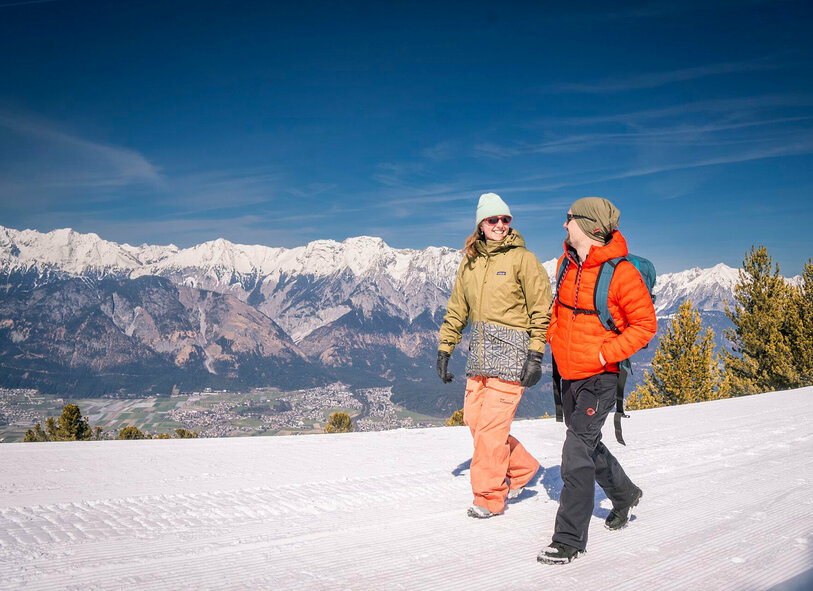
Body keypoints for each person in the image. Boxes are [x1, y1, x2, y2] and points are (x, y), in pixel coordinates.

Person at [538, 197, 657, 564]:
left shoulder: (621, 274)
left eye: (569, 219)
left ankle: (569, 540)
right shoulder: (566, 264)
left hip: (601, 378)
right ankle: (625, 494)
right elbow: (559, 310)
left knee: (575, 453)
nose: (564, 225)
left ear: (589, 226)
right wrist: (554, 337)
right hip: (570, 374)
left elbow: (645, 326)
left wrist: (605, 355)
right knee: (587, 444)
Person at [437, 192, 552, 519]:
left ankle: (489, 497)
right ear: (481, 224)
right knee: (475, 421)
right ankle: (523, 468)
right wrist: (445, 348)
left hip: (512, 356)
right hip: (479, 357)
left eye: (505, 219)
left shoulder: (523, 259)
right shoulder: (470, 262)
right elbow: (457, 308)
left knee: (490, 432)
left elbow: (541, 309)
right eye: (493, 219)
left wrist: (535, 355)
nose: (500, 225)